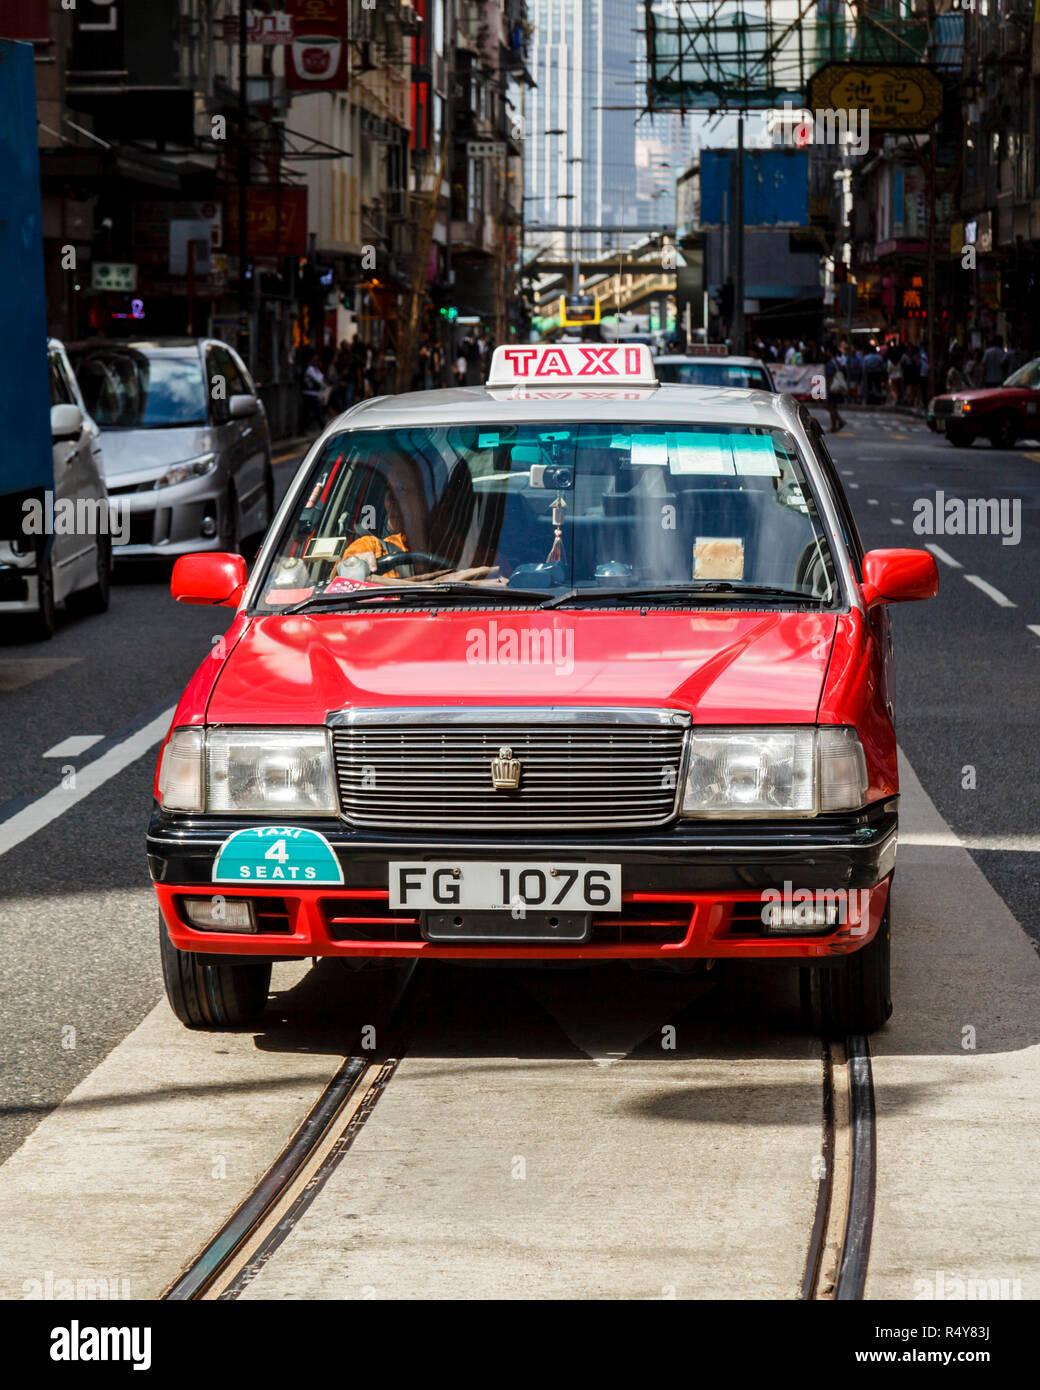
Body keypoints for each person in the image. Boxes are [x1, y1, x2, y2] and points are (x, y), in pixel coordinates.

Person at [824, 347, 847, 433]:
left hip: (833, 387)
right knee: (832, 407)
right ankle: (839, 422)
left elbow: (830, 376)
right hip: (838, 387)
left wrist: (829, 387)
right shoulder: (837, 362)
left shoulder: (830, 363)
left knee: (830, 407)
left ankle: (836, 424)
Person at [301, 349, 325, 433]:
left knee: (309, 413)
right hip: (310, 394)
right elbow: (319, 380)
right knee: (316, 413)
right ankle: (323, 429)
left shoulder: (314, 368)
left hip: (313, 394)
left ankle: (304, 429)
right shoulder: (309, 369)